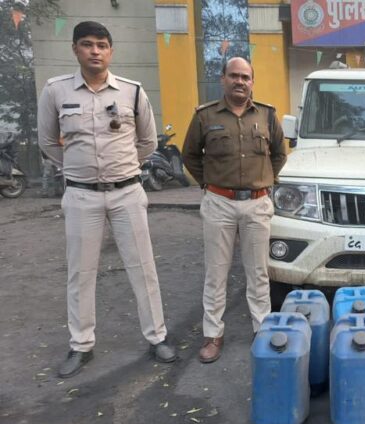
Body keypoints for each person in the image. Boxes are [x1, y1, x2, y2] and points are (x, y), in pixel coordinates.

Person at [37, 21, 176, 378]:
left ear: (111, 51)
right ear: (75, 49)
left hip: (127, 192)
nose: (95, 51)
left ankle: (157, 337)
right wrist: (78, 167)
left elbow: (148, 142)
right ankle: (81, 345)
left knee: (143, 268)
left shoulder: (132, 91)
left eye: (101, 45)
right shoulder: (55, 91)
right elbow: (48, 142)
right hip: (81, 195)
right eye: (87, 44)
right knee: (80, 273)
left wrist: (123, 167)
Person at [182, 57, 286, 364]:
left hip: (257, 203)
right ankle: (213, 334)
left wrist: (264, 181)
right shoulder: (205, 116)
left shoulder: (267, 115)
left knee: (259, 272)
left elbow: (279, 154)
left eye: (245, 77)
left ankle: (261, 329)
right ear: (223, 79)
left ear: (252, 82)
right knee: (216, 273)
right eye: (234, 76)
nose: (240, 81)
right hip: (219, 203)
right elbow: (190, 155)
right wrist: (208, 183)